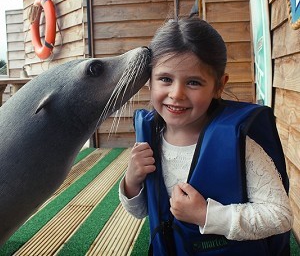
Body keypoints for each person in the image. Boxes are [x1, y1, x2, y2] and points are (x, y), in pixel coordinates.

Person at [119, 17, 293, 255]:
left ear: (219, 86)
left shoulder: (240, 145)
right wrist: (131, 181)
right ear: (149, 80)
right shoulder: (151, 139)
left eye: (193, 82)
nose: (176, 93)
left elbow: (280, 216)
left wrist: (206, 215)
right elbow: (141, 211)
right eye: (165, 79)